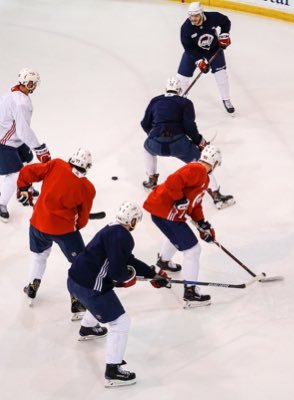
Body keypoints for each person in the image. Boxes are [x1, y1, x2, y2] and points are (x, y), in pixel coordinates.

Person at [67, 201, 171, 388]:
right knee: (121, 321)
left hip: (74, 281)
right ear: (131, 221)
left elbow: (126, 260)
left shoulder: (111, 228)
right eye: (135, 221)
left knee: (102, 296)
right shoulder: (124, 237)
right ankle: (113, 370)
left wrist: (150, 273)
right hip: (90, 288)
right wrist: (127, 278)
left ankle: (88, 328)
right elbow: (118, 273)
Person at [17, 148, 95, 319]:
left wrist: (23, 187)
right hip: (64, 231)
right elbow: (83, 218)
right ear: (87, 166)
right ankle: (77, 300)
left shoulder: (57, 165)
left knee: (39, 256)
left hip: (38, 223)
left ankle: (32, 286)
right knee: (78, 263)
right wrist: (73, 227)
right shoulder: (88, 187)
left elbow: (27, 171)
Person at [143, 144, 222, 308]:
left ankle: (164, 261)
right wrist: (179, 199)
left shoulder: (204, 178)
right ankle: (191, 291)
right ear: (214, 162)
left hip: (163, 212)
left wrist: (202, 223)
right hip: (165, 212)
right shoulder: (197, 169)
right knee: (193, 250)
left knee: (176, 237)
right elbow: (173, 181)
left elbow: (195, 204)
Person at [141, 77, 235, 209]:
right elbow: (189, 127)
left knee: (147, 149)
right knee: (202, 163)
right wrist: (200, 142)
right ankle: (216, 196)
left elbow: (144, 123)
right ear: (179, 90)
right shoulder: (185, 102)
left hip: (156, 142)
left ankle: (151, 181)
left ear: (166, 89)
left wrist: (155, 135)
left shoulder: (155, 100)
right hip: (178, 144)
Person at [0, 68, 51, 222]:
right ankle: (1, 203)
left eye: (34, 83)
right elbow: (23, 131)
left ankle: (24, 187)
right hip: (4, 141)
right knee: (14, 174)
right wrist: (39, 148)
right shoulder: (20, 102)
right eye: (30, 83)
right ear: (24, 82)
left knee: (27, 162)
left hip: (14, 138)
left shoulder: (15, 91)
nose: (33, 86)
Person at [177, 2, 235, 114]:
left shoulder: (213, 17)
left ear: (201, 13)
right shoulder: (185, 28)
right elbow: (188, 48)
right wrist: (199, 61)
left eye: (196, 16)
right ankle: (182, 102)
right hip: (194, 52)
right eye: (191, 16)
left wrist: (224, 35)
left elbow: (226, 21)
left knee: (221, 74)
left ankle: (226, 99)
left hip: (213, 49)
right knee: (181, 77)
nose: (193, 19)